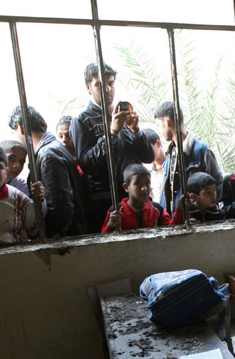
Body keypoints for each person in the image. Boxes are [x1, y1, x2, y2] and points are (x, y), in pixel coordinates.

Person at [70, 62, 153, 230]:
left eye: (111, 83)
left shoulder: (122, 114)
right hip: (108, 203)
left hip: (137, 201)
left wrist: (136, 131)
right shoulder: (81, 120)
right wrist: (112, 133)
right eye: (99, 85)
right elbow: (87, 164)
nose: (107, 89)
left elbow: (148, 157)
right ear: (88, 87)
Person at [9, 105, 89, 237]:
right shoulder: (52, 147)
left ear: (20, 128)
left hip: (65, 240)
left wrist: (45, 237)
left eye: (13, 132)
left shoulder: (48, 155)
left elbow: (59, 208)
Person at [153, 101, 222, 210]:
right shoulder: (170, 155)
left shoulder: (202, 151)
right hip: (174, 219)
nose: (159, 131)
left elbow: (218, 186)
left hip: (196, 219)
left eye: (159, 125)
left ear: (167, 122)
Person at [101, 164, 171, 233]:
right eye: (138, 184)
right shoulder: (116, 211)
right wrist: (109, 226)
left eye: (147, 183)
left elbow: (171, 230)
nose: (144, 188)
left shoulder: (157, 209)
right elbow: (104, 236)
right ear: (126, 187)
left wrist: (177, 213)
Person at [0, 140, 46, 206]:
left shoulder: (20, 185)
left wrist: (40, 198)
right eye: (12, 159)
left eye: (21, 162)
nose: (17, 166)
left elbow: (30, 209)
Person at [141, 128, 169, 208]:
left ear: (158, 143)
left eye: (148, 149)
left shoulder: (173, 166)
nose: (146, 154)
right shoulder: (146, 171)